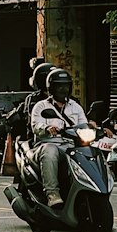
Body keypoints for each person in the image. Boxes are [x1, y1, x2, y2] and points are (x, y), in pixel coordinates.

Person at [30, 67, 89, 209]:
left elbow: (83, 125)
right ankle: (52, 194)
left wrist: (94, 129)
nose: (63, 89)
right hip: (47, 145)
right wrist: (46, 128)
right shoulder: (41, 106)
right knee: (50, 151)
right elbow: (35, 125)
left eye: (66, 86)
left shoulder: (75, 107)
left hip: (70, 145)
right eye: (59, 86)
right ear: (51, 88)